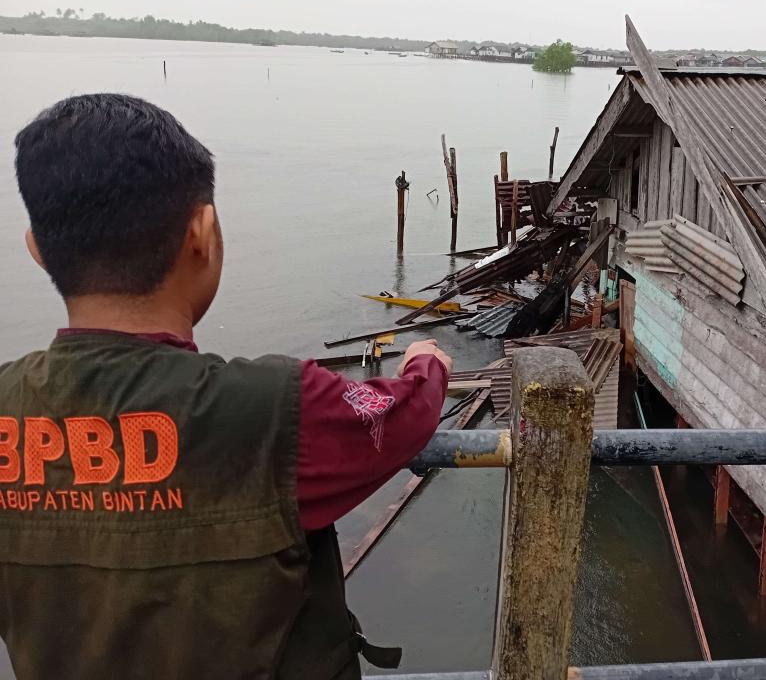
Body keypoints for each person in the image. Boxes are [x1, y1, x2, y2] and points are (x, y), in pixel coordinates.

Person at [0, 93, 452, 680]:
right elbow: (402, 415)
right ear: (202, 231)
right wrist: (426, 360)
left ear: (36, 248)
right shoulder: (273, 406)